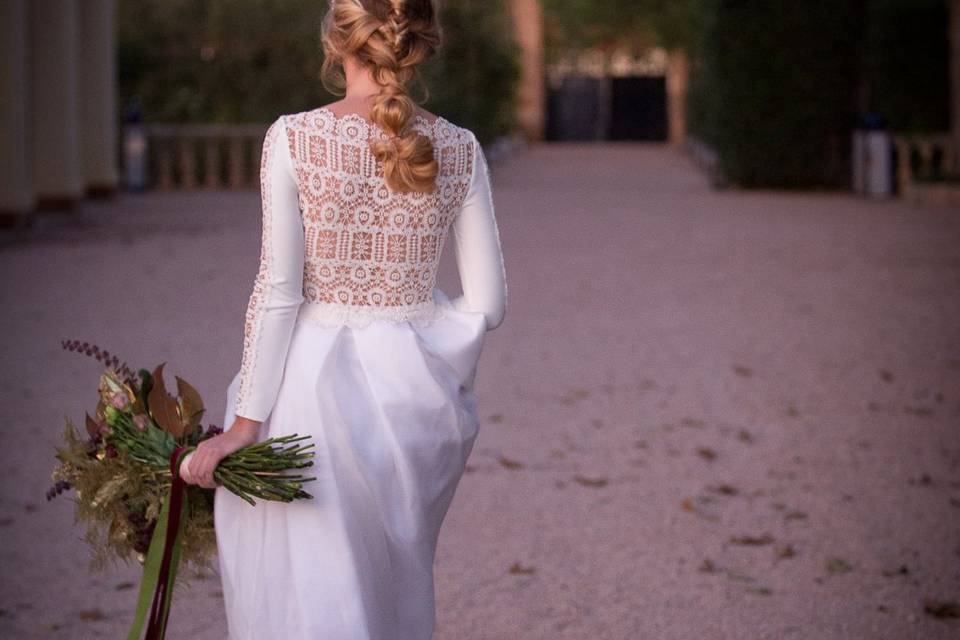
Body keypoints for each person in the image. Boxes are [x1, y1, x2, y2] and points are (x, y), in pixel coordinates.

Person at [178, 0, 507, 637]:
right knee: (392, 592)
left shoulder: (296, 138)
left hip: (310, 397)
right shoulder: (460, 147)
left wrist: (244, 426)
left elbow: (278, 292)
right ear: (420, 42)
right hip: (416, 399)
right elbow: (489, 306)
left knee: (316, 597)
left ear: (336, 43)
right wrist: (411, 322)